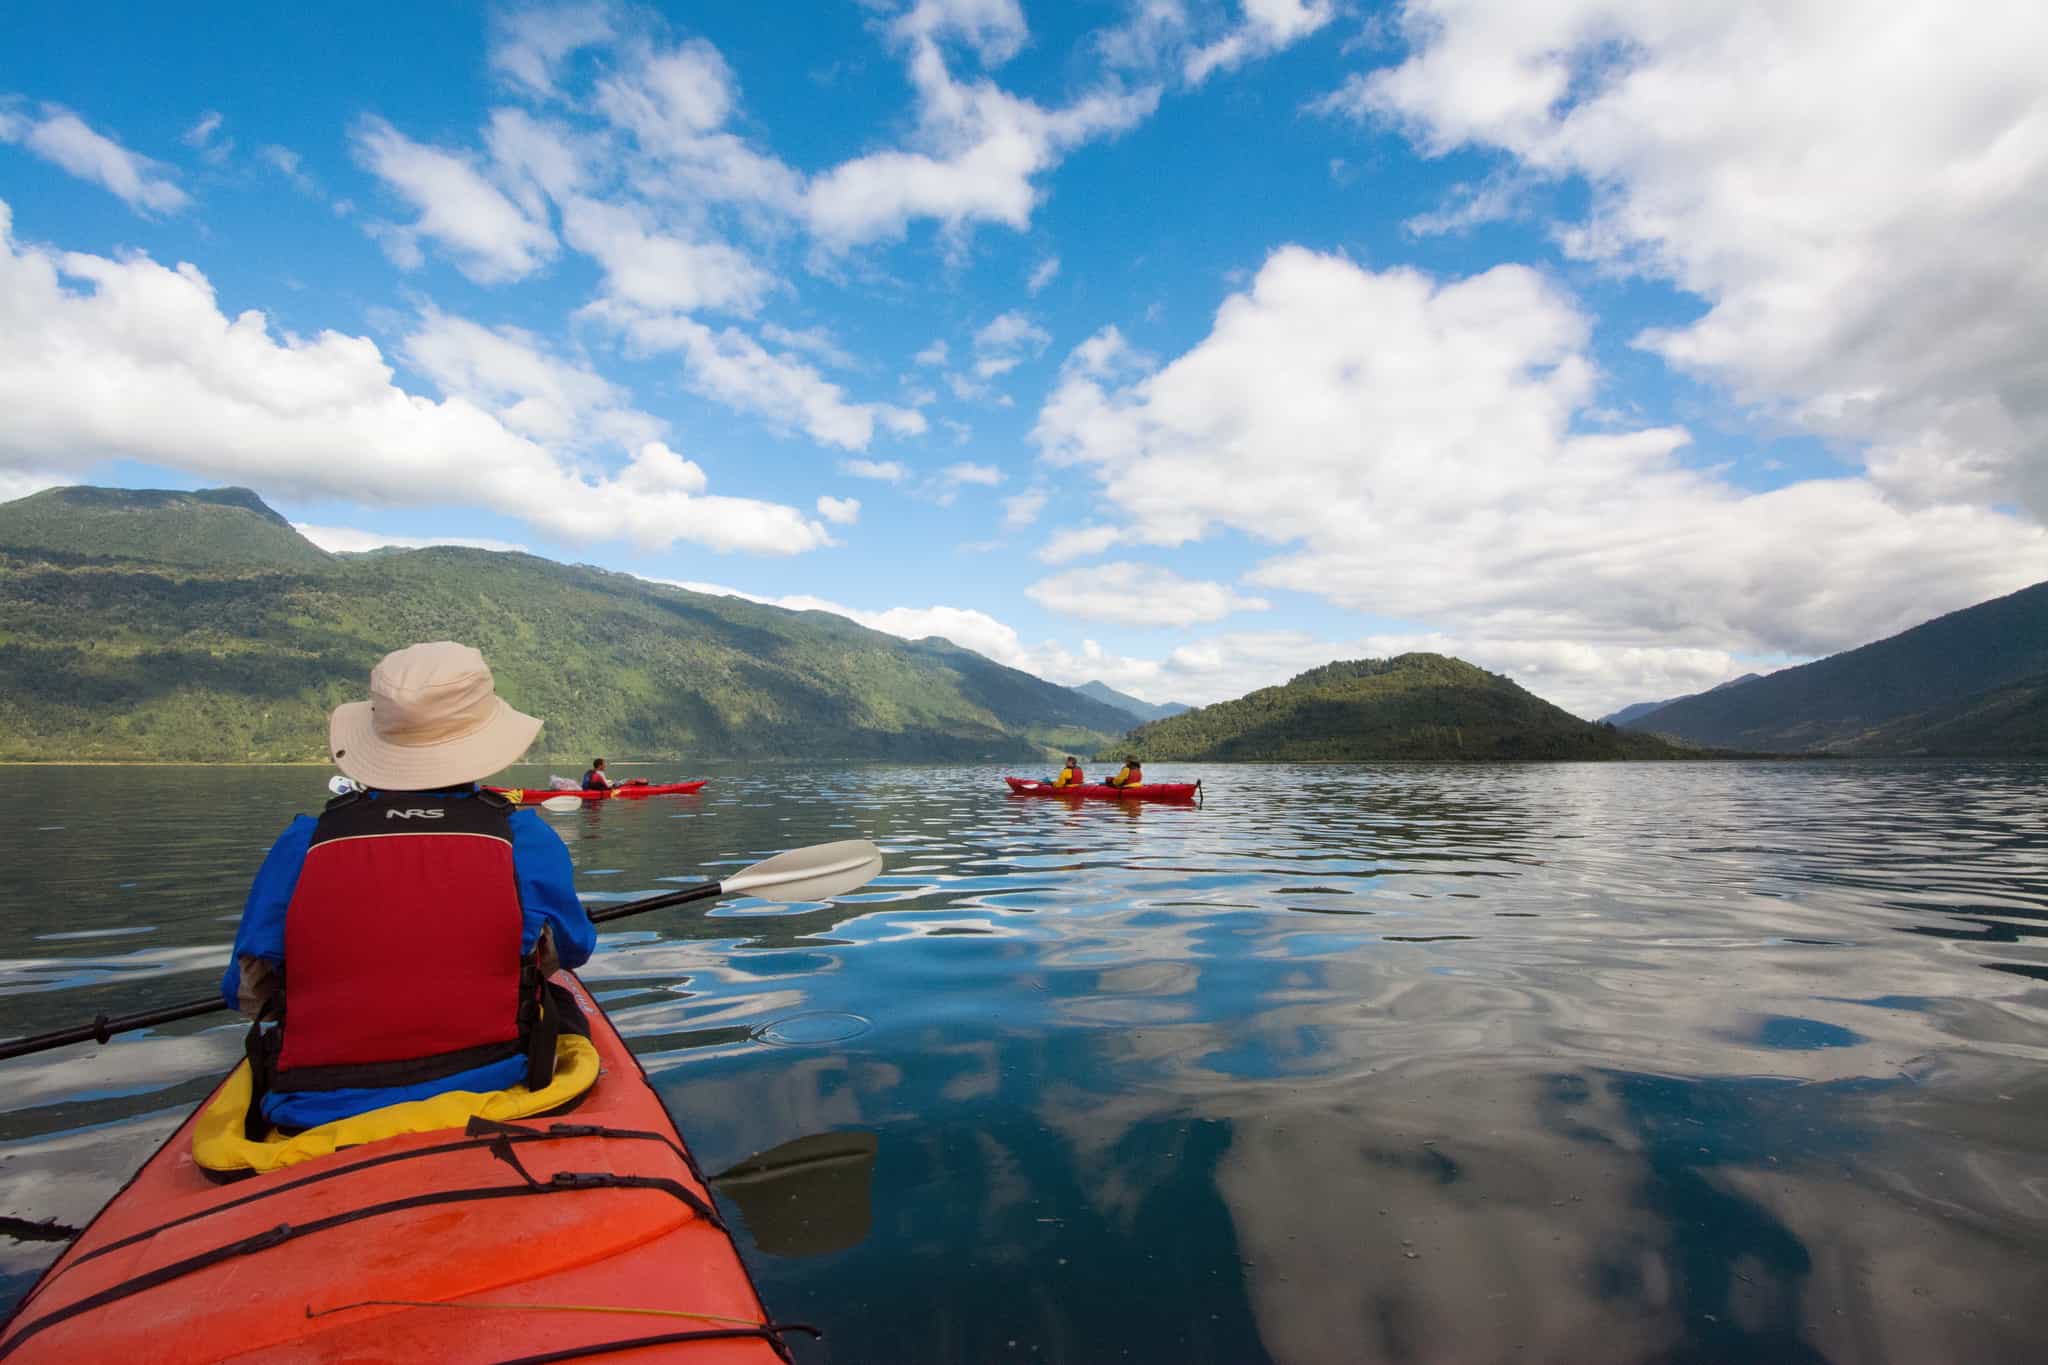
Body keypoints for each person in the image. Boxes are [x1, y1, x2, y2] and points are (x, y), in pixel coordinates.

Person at [223, 641, 596, 1132]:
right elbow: (572, 950)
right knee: (559, 1002)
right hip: (494, 1081)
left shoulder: (304, 842)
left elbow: (246, 994)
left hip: (311, 1107)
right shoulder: (525, 838)